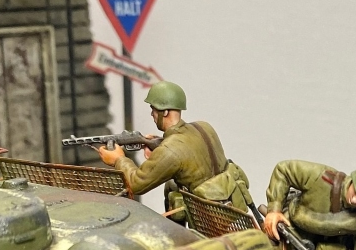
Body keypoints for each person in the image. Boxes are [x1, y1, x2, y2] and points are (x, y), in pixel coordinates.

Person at [98, 80, 252, 216]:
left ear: (164, 112)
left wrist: (119, 159)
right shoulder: (204, 127)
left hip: (208, 218)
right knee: (171, 185)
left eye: (154, 109)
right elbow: (193, 156)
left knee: (172, 191)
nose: (152, 114)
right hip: (233, 205)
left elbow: (136, 184)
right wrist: (160, 144)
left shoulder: (169, 150)